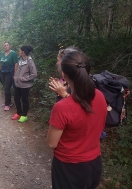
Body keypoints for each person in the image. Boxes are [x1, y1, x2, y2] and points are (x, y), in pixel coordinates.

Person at [47, 51, 107, 189]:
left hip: (70, 168)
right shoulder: (100, 95)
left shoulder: (62, 107)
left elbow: (51, 143)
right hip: (94, 164)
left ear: (64, 75)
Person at [12, 45, 37, 122]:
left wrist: (24, 79)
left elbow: (34, 74)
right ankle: (18, 113)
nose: (19, 52)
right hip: (18, 84)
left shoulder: (30, 61)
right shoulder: (20, 60)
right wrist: (15, 77)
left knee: (24, 100)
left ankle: (24, 115)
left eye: (20, 51)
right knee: (16, 99)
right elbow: (18, 71)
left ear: (23, 52)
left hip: (25, 85)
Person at [0, 42, 18, 111]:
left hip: (10, 72)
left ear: (10, 46)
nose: (6, 46)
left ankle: (7, 105)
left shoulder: (13, 53)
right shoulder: (2, 53)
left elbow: (16, 63)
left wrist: (15, 73)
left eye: (7, 45)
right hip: (3, 71)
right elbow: (0, 63)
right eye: (5, 45)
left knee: (6, 87)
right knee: (5, 87)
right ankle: (9, 102)